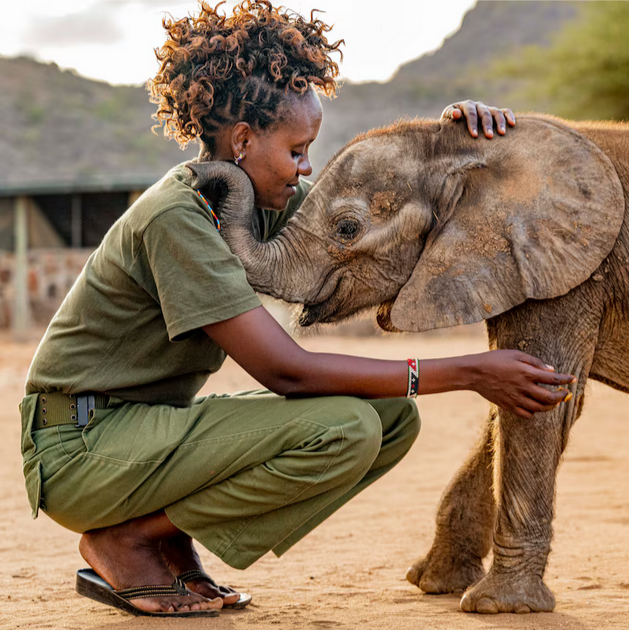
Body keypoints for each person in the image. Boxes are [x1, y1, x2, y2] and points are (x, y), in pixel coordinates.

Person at [18, 0, 575, 618]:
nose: (307, 167)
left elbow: (379, 218)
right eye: (298, 150)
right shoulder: (176, 218)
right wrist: (469, 372)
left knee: (392, 417)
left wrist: (450, 145)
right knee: (346, 429)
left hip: (148, 432)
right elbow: (286, 372)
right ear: (243, 140)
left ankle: (163, 534)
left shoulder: (258, 204)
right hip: (81, 446)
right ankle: (129, 539)